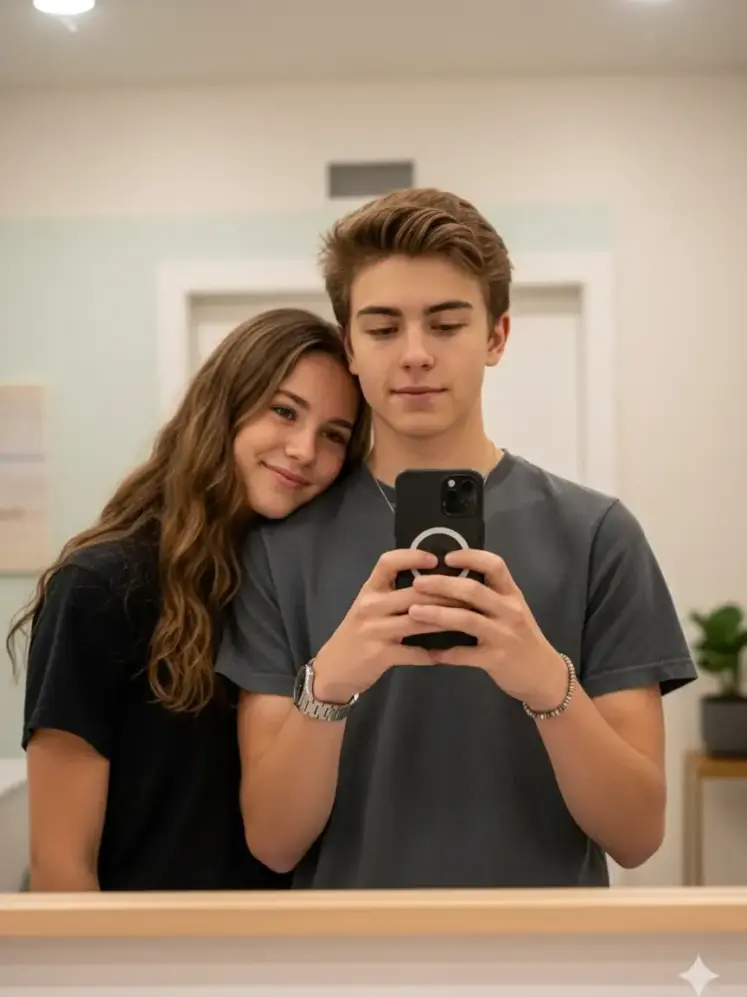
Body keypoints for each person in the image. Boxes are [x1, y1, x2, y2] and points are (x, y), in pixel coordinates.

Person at [216, 189, 697, 889]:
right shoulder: (279, 550)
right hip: (344, 973)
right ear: (348, 344)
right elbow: (272, 842)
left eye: (445, 325)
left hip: (552, 973)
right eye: (382, 329)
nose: (414, 355)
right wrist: (331, 683)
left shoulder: (597, 536)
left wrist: (544, 682)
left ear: (496, 337)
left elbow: (636, 835)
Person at [6, 308, 370, 892]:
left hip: (288, 957)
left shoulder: (307, 595)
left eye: (333, 435)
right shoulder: (100, 586)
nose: (303, 449)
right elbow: (61, 866)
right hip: (142, 961)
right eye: (283, 411)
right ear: (223, 409)